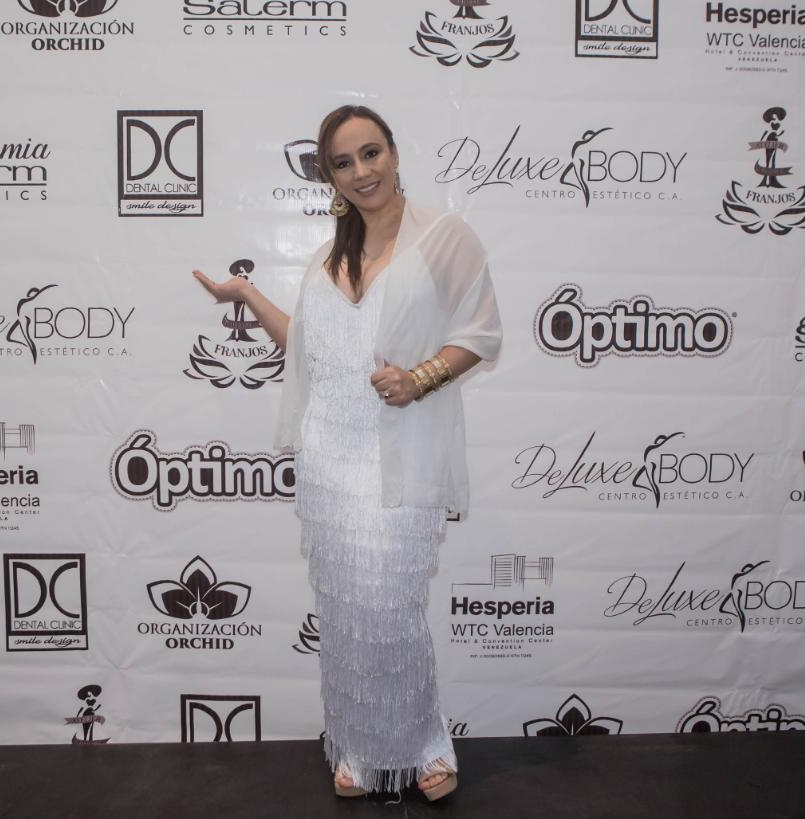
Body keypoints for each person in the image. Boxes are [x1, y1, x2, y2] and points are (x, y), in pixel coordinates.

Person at [192, 105, 502, 801]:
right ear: (329, 176)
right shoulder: (327, 258)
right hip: (329, 456)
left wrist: (421, 377)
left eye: (371, 153)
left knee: (392, 608)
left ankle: (425, 744)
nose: (361, 171)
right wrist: (245, 294)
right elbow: (305, 347)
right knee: (345, 614)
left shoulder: (443, 236)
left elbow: (481, 333)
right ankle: (358, 745)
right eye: (343, 162)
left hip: (400, 453)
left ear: (393, 153)